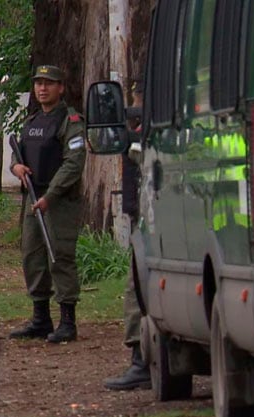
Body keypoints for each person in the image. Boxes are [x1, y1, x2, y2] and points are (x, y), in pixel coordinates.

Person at [8, 65, 87, 343]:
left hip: (59, 201)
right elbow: (18, 155)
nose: (42, 88)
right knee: (32, 257)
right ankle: (40, 318)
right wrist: (16, 167)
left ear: (60, 87)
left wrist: (49, 197)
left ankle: (68, 321)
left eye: (49, 83)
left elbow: (74, 163)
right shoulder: (31, 122)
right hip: (33, 198)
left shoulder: (71, 120)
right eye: (38, 83)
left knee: (59, 256)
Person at [104, 79, 151, 390]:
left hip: (151, 218)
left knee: (137, 287)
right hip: (149, 215)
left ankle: (141, 360)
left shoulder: (150, 133)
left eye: (137, 101)